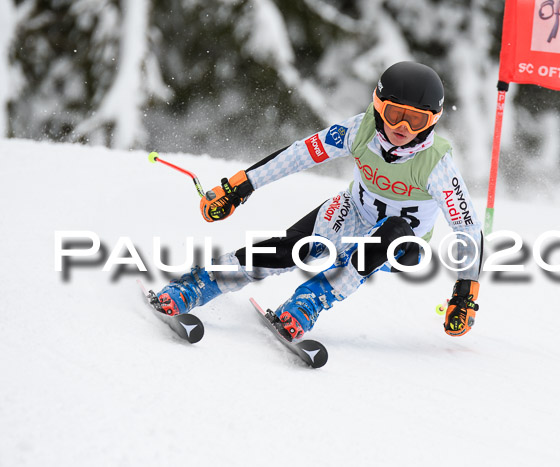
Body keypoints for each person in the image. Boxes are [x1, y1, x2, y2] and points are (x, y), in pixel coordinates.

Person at [153, 61, 483, 340]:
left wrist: (465, 293)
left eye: (416, 119)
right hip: (353, 212)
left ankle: (309, 301)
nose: (402, 127)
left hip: (402, 244)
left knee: (391, 230)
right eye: (394, 113)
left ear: (432, 120)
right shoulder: (360, 130)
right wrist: (241, 186)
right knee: (290, 249)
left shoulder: (437, 163)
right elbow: (300, 154)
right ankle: (201, 284)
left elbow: (466, 227)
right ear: (378, 105)